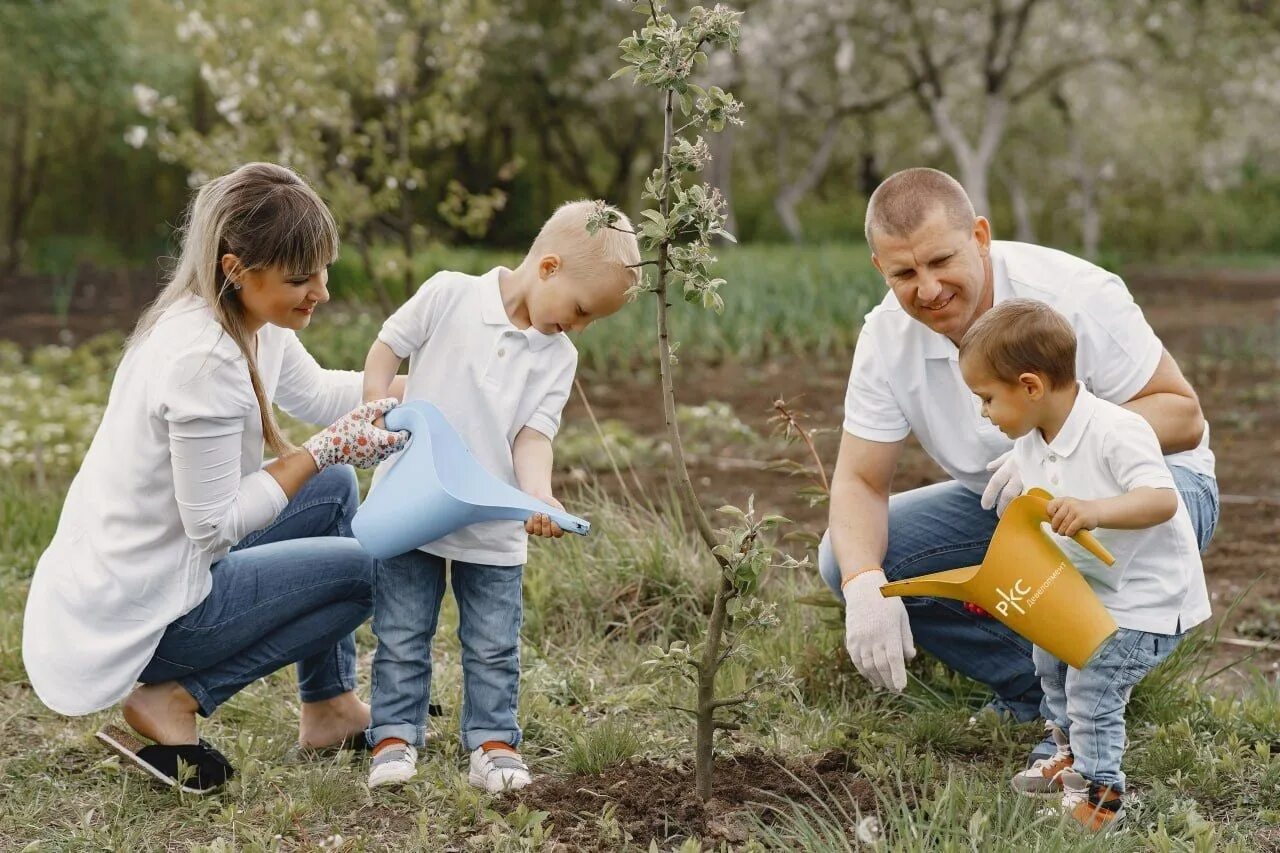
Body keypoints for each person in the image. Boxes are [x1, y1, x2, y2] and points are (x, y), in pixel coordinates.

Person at [22, 162, 408, 793]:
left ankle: (330, 708)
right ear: (236, 268)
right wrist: (321, 451)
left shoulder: (245, 319)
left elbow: (321, 395)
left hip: (151, 571)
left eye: (324, 270)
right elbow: (214, 524)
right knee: (366, 568)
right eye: (300, 278)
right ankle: (176, 696)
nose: (322, 291)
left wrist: (449, 393)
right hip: (140, 616)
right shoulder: (202, 361)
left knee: (335, 490)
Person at [819, 167, 1217, 764]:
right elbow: (859, 480)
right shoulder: (886, 338)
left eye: (941, 260)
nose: (927, 289)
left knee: (1071, 538)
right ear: (881, 268)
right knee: (847, 556)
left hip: (1151, 489)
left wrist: (1053, 450)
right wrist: (863, 586)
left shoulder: (1074, 296)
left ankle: (1086, 714)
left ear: (980, 235)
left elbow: (1181, 414)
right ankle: (1039, 687)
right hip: (1011, 507)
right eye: (905, 273)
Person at [359, 200, 640, 791]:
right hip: (414, 506)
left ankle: (491, 741)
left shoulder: (559, 357)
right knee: (403, 632)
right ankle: (394, 735)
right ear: (548, 267)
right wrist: (376, 407)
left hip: (491, 523)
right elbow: (388, 346)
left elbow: (533, 435)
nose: (581, 327)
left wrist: (538, 495)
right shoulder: (449, 295)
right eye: (582, 309)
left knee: (492, 642)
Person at [959, 299, 1208, 833]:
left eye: (986, 398)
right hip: (1090, 588)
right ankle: (1069, 754)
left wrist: (1096, 511)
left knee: (1093, 686)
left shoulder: (1117, 431)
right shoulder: (1032, 439)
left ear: (1030, 387)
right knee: (1049, 656)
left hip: (1147, 600)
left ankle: (1100, 795)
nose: (982, 412)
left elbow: (1162, 499)